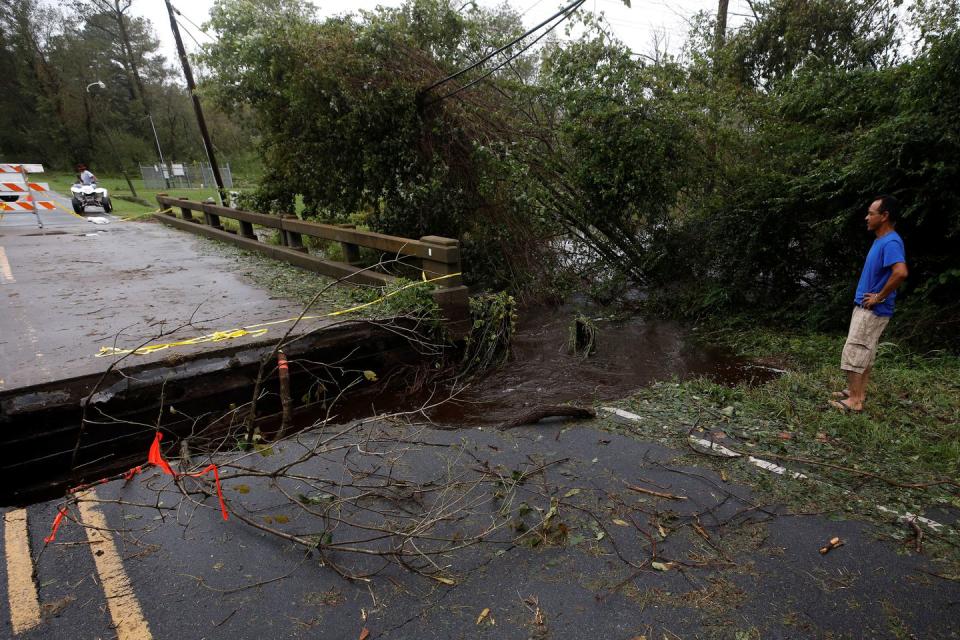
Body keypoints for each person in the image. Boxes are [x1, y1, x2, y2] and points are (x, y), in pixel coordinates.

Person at [831, 195, 908, 413]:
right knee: (865, 352)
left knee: (855, 350)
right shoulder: (880, 240)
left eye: (871, 213)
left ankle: (854, 401)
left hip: (872, 310)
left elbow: (900, 272)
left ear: (884, 216)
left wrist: (879, 296)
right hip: (867, 307)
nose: (867, 217)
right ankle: (857, 392)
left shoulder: (891, 241)